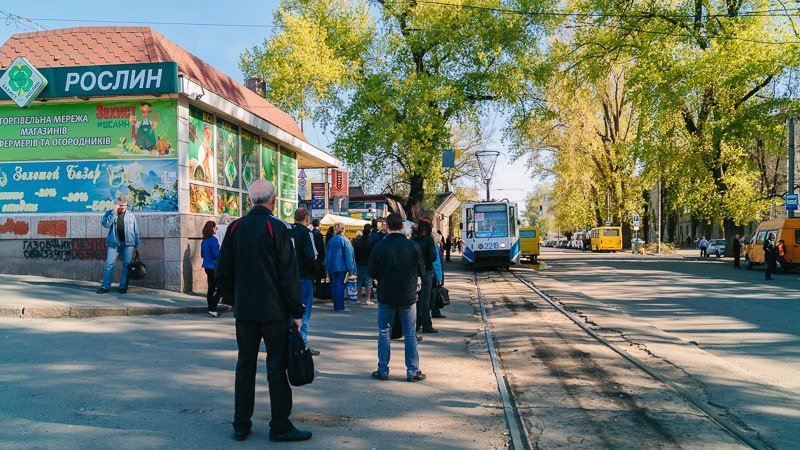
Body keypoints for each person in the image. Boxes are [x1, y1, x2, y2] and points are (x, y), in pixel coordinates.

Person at [215, 180, 311, 443]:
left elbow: (222, 271)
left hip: (245, 312)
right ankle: (279, 426)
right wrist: (296, 312)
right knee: (276, 368)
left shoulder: (235, 228)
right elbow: (289, 275)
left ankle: (241, 425)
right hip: (274, 313)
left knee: (244, 366)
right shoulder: (278, 228)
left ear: (249, 201)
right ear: (274, 200)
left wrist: (234, 298)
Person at [368, 212, 427, 382]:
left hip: (386, 294)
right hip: (408, 296)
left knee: (384, 332)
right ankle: (412, 371)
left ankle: (383, 370)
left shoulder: (380, 247)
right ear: (402, 226)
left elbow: (372, 271)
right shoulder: (413, 246)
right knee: (409, 333)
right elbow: (421, 270)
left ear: (386, 226)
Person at [291, 208, 321, 356]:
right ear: (307, 219)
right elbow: (311, 255)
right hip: (304, 277)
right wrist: (315, 270)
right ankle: (302, 345)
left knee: (290, 312)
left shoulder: (287, 231)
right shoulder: (306, 233)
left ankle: (290, 343)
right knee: (303, 313)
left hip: (289, 277)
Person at [97, 195, 140, 294]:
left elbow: (136, 231)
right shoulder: (110, 213)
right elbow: (105, 224)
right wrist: (114, 213)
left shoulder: (131, 215)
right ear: (117, 204)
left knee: (126, 266)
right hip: (114, 244)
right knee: (109, 264)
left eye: (124, 205)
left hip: (128, 244)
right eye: (121, 205)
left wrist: (137, 246)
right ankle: (105, 286)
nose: (123, 207)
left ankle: (123, 286)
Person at [412, 217, 439, 334]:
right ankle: (427, 325)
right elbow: (433, 257)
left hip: (414, 272)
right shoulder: (428, 240)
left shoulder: (413, 239)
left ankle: (416, 324)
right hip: (426, 272)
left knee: (415, 299)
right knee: (425, 299)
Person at [326, 223, 357, 313]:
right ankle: (340, 306)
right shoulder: (345, 240)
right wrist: (351, 269)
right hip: (342, 267)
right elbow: (349, 256)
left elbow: (327, 255)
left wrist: (327, 268)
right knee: (340, 286)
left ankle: (336, 305)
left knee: (334, 285)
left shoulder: (331, 240)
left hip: (332, 266)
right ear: (343, 230)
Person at [201, 220, 222, 317]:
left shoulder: (204, 241)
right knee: (221, 288)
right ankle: (213, 309)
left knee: (211, 288)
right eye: (215, 227)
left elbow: (202, 254)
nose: (216, 229)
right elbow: (216, 255)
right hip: (214, 267)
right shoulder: (213, 240)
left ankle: (211, 309)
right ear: (212, 228)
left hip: (206, 266)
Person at [354, 224, 375, 305]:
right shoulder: (372, 241)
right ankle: (368, 299)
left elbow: (355, 253)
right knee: (368, 282)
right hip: (368, 263)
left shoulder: (357, 241)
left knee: (359, 281)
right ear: (369, 232)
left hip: (359, 263)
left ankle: (358, 299)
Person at [431, 231, 445, 319]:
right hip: (434, 275)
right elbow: (437, 263)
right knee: (434, 294)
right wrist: (439, 277)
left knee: (433, 294)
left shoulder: (435, 246)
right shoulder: (435, 247)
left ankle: (435, 311)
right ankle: (435, 312)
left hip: (432, 275)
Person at [310, 218, 326, 289]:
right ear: (319, 224)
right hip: (318, 257)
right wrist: (323, 255)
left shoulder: (310, 233)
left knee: (312, 275)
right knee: (318, 276)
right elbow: (320, 247)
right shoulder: (319, 234)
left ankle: (313, 290)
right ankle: (318, 290)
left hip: (311, 256)